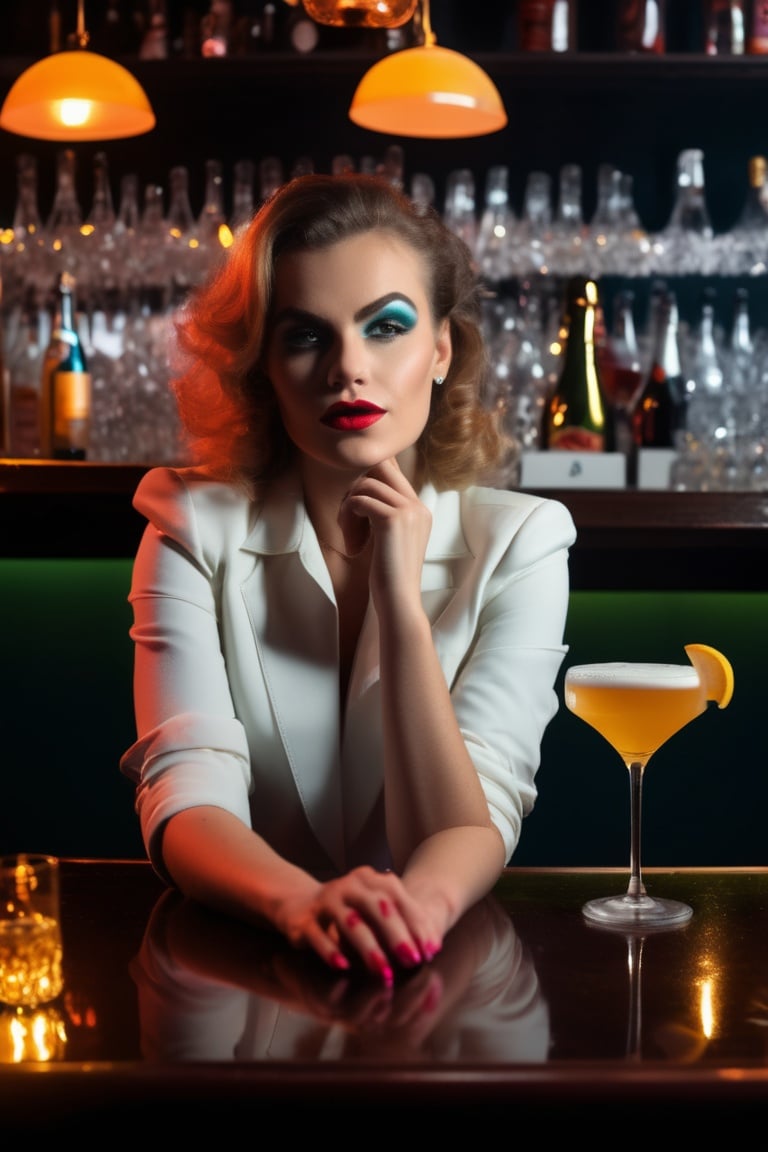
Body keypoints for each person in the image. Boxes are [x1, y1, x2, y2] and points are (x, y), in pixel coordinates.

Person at [120, 171, 576, 988]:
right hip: (242, 981)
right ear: (264, 365)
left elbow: (473, 819)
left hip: (438, 987)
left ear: (441, 350)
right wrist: (302, 906)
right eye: (304, 337)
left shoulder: (524, 543)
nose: (348, 369)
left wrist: (401, 603)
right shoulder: (188, 526)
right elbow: (187, 798)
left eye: (387, 327)